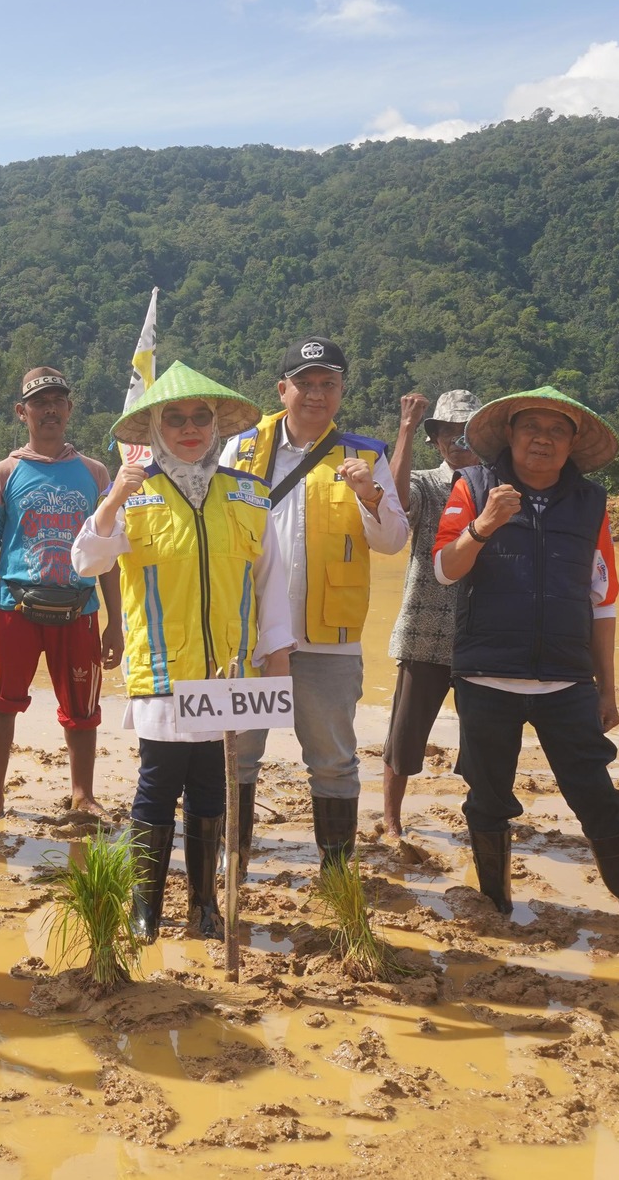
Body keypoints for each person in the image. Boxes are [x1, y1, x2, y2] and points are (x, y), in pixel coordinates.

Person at [71, 365, 295, 939]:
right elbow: (86, 561)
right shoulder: (134, 495)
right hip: (165, 673)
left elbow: (271, 586)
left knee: (212, 784)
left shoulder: (248, 494)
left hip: (228, 676)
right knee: (157, 783)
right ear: (155, 427)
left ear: (217, 426)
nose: (190, 428)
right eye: (176, 418)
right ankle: (145, 906)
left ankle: (203, 906)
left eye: (201, 418)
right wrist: (116, 494)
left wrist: (278, 661)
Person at [434, 388, 619, 929]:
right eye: (530, 426)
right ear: (509, 436)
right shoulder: (474, 487)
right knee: (487, 799)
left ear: (572, 444)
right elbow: (445, 568)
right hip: (486, 677)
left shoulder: (591, 503)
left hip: (566, 680)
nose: (543, 437)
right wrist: (483, 525)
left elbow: (601, 600)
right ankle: (495, 906)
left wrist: (606, 689)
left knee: (598, 797)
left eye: (557, 429)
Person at [223, 337, 407, 874]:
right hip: (248, 635)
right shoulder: (238, 449)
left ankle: (336, 877)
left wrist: (370, 495)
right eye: (305, 383)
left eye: (328, 384)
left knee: (332, 761)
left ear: (342, 391)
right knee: (237, 756)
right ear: (282, 389)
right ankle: (232, 865)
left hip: (329, 637)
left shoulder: (365, 454)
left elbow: (394, 541)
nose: (316, 394)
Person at [0, 366, 123, 819]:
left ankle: (82, 794)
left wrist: (116, 623)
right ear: (21, 412)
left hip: (80, 608)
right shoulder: (3, 473)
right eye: (38, 402)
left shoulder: (94, 473)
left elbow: (108, 553)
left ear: (69, 409)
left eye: (57, 401)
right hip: (15, 607)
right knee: (2, 701)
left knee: (84, 710)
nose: (49, 409)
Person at [381, 388, 483, 836]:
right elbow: (396, 505)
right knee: (403, 738)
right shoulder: (425, 481)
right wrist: (404, 429)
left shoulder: (497, 487)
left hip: (484, 635)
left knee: (484, 740)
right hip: (426, 630)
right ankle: (391, 820)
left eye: (468, 431)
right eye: (449, 431)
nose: (459, 440)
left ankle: (482, 818)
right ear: (435, 438)